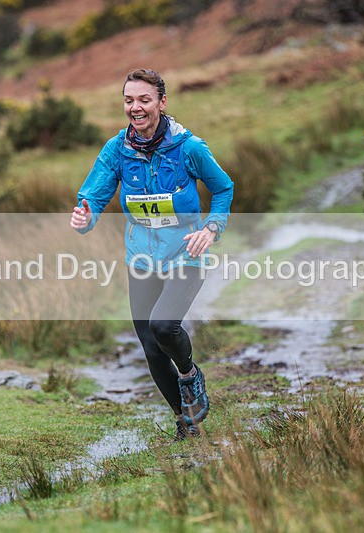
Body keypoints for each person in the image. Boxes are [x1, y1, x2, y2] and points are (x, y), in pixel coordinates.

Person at [70, 68, 234, 439]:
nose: (136, 107)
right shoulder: (117, 150)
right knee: (151, 347)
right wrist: (84, 217)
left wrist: (211, 228)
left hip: (186, 254)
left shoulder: (189, 148)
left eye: (144, 99)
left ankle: (190, 375)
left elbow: (223, 188)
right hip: (141, 259)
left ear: (161, 102)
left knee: (163, 326)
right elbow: (93, 197)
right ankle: (186, 421)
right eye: (129, 100)